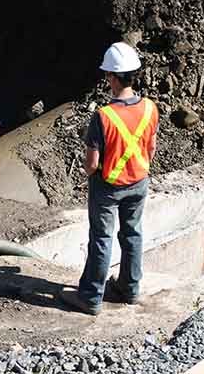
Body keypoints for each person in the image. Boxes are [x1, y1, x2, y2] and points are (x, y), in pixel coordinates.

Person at [59, 42, 159, 315]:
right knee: (133, 233)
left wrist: (90, 174)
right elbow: (150, 148)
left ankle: (91, 298)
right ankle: (129, 289)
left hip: (108, 187)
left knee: (102, 239)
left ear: (112, 77)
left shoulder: (103, 117)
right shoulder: (150, 108)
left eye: (108, 74)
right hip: (139, 182)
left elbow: (92, 164)